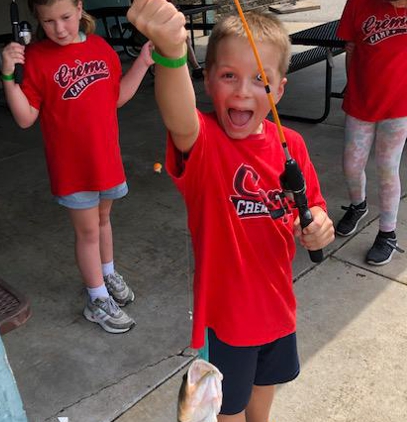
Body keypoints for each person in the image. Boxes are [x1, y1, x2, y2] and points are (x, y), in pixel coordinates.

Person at [127, 1, 334, 421]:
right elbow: (178, 117)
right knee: (230, 413)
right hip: (230, 325)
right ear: (207, 82)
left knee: (262, 405)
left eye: (261, 80)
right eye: (228, 76)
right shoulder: (204, 144)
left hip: (279, 312)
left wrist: (318, 224)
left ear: (279, 91)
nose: (243, 91)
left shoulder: (291, 143)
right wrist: (170, 52)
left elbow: (312, 204)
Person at [1, 0, 154, 334]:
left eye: (66, 17)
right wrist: (9, 76)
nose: (59, 28)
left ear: (80, 7)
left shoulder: (101, 48)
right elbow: (26, 118)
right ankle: (96, 298)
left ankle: (107, 273)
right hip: (72, 168)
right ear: (38, 21)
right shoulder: (37, 58)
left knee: (103, 222)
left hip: (106, 159)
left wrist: (142, 63)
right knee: (87, 233)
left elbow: (115, 98)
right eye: (49, 21)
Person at [335, 0, 406, 265]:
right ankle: (358, 204)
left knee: (388, 167)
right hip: (362, 100)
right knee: (351, 165)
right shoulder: (358, 3)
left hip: (400, 104)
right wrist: (353, 87)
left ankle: (388, 233)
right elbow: (351, 49)